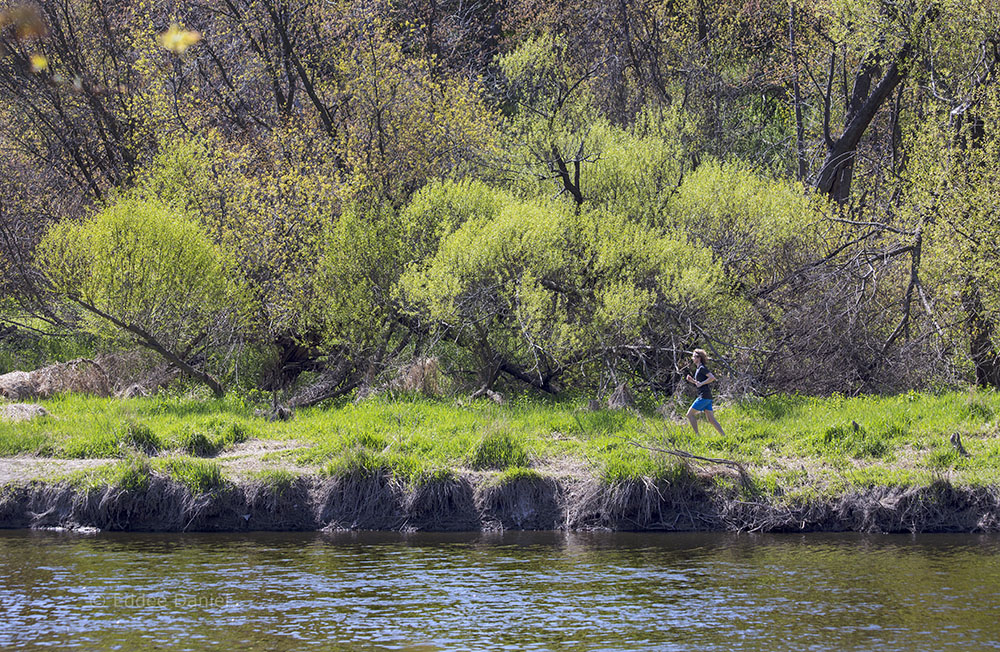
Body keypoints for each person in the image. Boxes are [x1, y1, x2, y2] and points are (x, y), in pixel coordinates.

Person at [685, 349, 725, 436]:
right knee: (711, 419)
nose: (692, 358)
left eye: (694, 356)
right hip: (707, 397)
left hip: (703, 396)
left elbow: (712, 377)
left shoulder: (702, 368)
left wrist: (702, 383)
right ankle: (724, 436)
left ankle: (697, 435)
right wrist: (692, 380)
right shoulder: (699, 369)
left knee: (689, 415)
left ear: (698, 358)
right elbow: (699, 384)